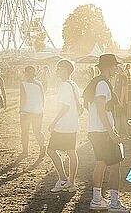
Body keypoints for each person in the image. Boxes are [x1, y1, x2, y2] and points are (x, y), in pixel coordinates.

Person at [83, 54, 129, 212]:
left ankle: (97, 200)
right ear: (109, 66)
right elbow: (101, 109)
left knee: (101, 163)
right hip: (103, 132)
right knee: (115, 165)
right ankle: (114, 203)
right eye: (115, 66)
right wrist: (111, 132)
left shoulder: (97, 82)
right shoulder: (102, 84)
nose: (117, 69)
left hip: (96, 130)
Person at [47, 59, 80, 193]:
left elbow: (65, 107)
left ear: (66, 69)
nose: (57, 70)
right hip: (72, 124)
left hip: (64, 125)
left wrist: (54, 121)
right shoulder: (73, 84)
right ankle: (71, 183)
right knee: (71, 152)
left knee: (50, 150)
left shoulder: (65, 86)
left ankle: (62, 179)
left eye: (59, 68)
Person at [20, 65, 46, 158]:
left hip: (26, 111)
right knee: (37, 131)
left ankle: (25, 151)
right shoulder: (39, 83)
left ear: (25, 73)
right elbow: (43, 98)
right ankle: (42, 147)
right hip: (38, 111)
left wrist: (21, 110)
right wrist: (41, 109)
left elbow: (23, 98)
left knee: (25, 132)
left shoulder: (23, 84)